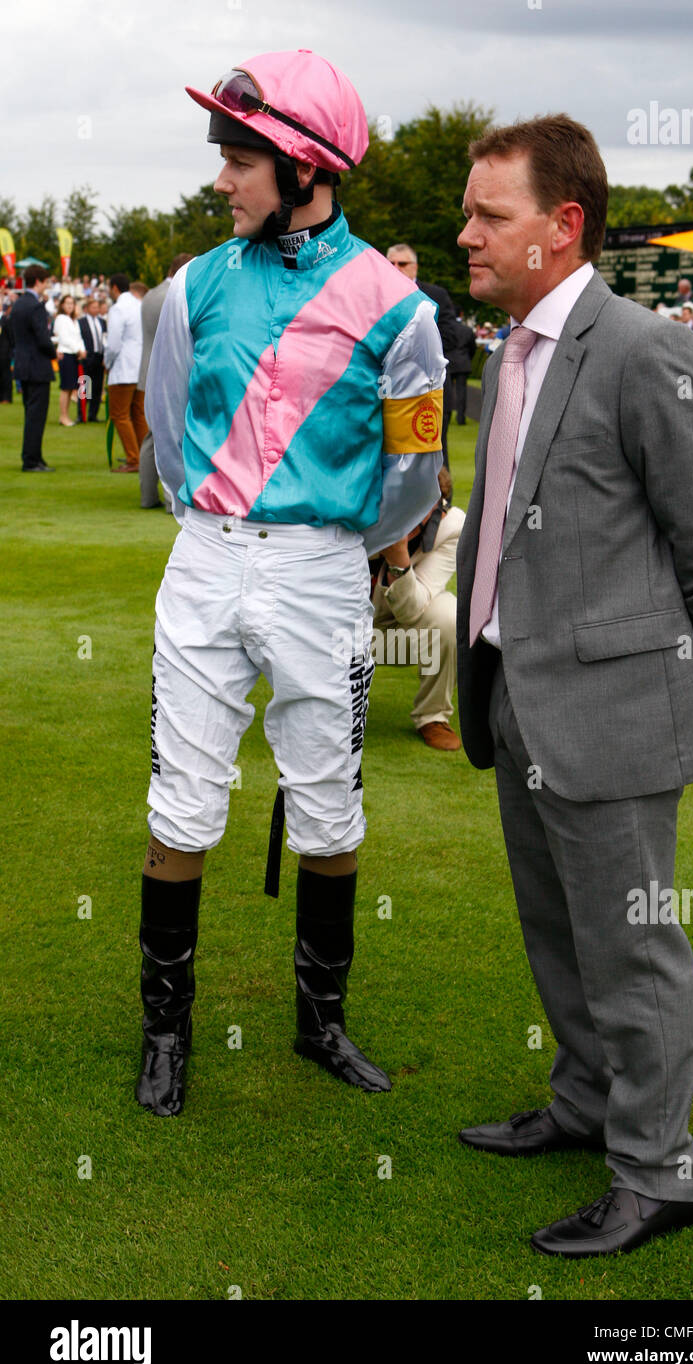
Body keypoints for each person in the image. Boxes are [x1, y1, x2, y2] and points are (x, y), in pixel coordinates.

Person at [454, 114, 693, 1258]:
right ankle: (586, 1104)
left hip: (615, 711)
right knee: (558, 930)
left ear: (561, 224)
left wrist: (685, 684)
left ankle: (656, 1171)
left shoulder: (641, 348)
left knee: (631, 946)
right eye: (468, 212)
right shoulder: (511, 347)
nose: (466, 235)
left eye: (491, 215)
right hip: (516, 696)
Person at [137, 48, 445, 1117]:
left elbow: (416, 479)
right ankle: (165, 1032)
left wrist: (325, 546)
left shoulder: (399, 313)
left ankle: (321, 1022)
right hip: (208, 555)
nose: (220, 179)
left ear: (305, 166)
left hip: (323, 570)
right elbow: (168, 440)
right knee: (181, 797)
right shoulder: (189, 285)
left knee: (329, 804)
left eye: (238, 159)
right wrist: (224, 522)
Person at [371, 467, 463, 750]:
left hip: (395, 638)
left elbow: (413, 610)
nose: (406, 514)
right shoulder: (358, 511)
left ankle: (433, 717)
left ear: (436, 505)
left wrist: (398, 558)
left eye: (417, 505)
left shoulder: (452, 526)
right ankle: (321, 708)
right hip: (339, 635)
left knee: (449, 614)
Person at [386, 242, 457, 469]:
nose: (396, 268)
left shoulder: (435, 295)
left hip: (428, 389)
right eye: (391, 263)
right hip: (386, 389)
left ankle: (441, 503)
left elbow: (449, 338)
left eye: (403, 263)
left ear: (415, 267)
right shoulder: (375, 297)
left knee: (434, 452)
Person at [137, 254, 194, 508]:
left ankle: (148, 495)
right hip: (168, 369)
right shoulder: (175, 294)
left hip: (147, 368)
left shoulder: (150, 294)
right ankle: (173, 499)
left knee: (152, 433)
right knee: (171, 433)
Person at [8, 266, 56, 472]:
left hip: (23, 364)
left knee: (31, 415)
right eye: (45, 281)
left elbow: (12, 335)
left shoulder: (18, 304)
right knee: (37, 417)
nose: (46, 285)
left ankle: (34, 456)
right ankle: (31, 459)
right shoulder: (36, 306)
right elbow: (43, 339)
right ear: (38, 281)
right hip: (37, 366)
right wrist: (54, 352)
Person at [104, 272, 147, 472]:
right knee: (139, 414)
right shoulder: (139, 305)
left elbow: (113, 343)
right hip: (141, 366)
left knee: (120, 414)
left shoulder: (118, 308)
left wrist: (107, 362)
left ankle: (133, 459)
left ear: (114, 287)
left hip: (124, 367)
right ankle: (144, 456)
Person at [52, 293, 87, 425]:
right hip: (66, 354)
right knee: (66, 387)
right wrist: (78, 349)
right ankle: (63, 415)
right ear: (62, 305)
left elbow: (79, 337)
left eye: (72, 303)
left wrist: (82, 350)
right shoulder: (61, 318)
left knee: (72, 386)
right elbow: (64, 338)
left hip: (75, 355)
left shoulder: (74, 320)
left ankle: (66, 415)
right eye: (67, 303)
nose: (70, 306)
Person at [79, 299, 107, 421]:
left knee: (97, 386)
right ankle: (82, 414)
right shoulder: (81, 322)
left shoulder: (102, 322)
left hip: (99, 356)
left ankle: (93, 414)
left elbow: (106, 339)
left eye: (97, 307)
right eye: (93, 307)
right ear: (87, 308)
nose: (95, 309)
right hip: (88, 357)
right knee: (85, 386)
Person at [447, 312, 477, 424]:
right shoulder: (467, 330)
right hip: (463, 362)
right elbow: (472, 347)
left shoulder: (446, 329)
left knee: (447, 391)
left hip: (448, 362)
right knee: (461, 391)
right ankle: (461, 417)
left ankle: (446, 416)